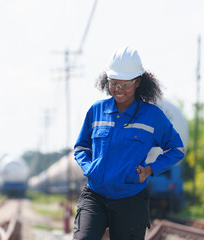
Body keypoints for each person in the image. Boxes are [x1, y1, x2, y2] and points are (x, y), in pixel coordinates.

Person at [73, 46, 185, 240]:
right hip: (95, 194)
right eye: (114, 83)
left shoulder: (152, 116)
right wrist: (90, 168)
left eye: (125, 84)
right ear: (106, 80)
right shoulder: (96, 111)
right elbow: (81, 148)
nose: (119, 90)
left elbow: (177, 148)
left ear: (138, 82)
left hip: (130, 198)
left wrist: (150, 169)